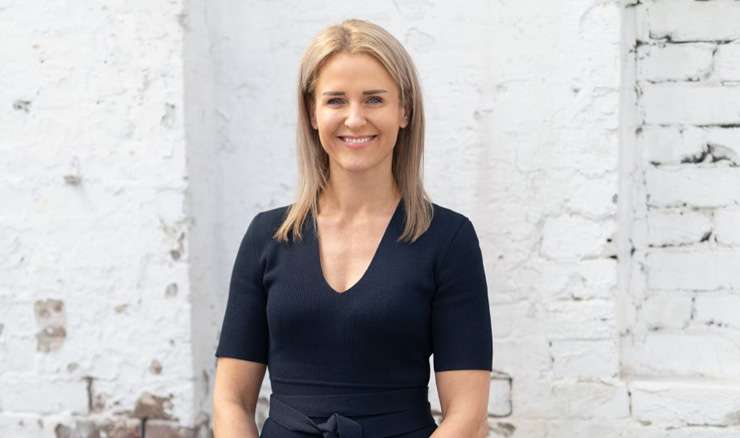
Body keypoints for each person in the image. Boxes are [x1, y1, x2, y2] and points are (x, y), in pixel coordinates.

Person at [212, 18, 493, 438]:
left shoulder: (449, 239)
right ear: (312, 112)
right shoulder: (266, 237)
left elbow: (468, 416)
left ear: (405, 111)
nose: (355, 118)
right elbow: (230, 400)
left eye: (375, 99)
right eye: (336, 100)